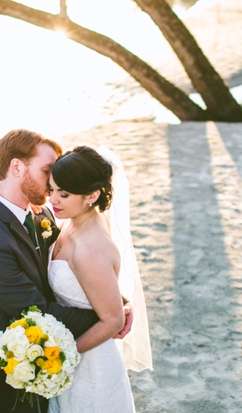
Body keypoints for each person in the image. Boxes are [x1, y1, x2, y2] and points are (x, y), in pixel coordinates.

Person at [0, 130, 133, 413]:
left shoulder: (44, 213)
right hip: (14, 372)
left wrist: (118, 303)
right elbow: (37, 309)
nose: (55, 184)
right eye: (47, 171)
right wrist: (110, 317)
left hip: (60, 357)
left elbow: (84, 273)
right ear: (17, 167)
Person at [47, 146, 153, 413]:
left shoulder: (88, 249)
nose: (53, 200)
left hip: (91, 364)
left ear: (92, 195)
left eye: (64, 194)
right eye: (51, 189)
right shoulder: (74, 220)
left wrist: (61, 357)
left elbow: (113, 321)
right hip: (76, 353)